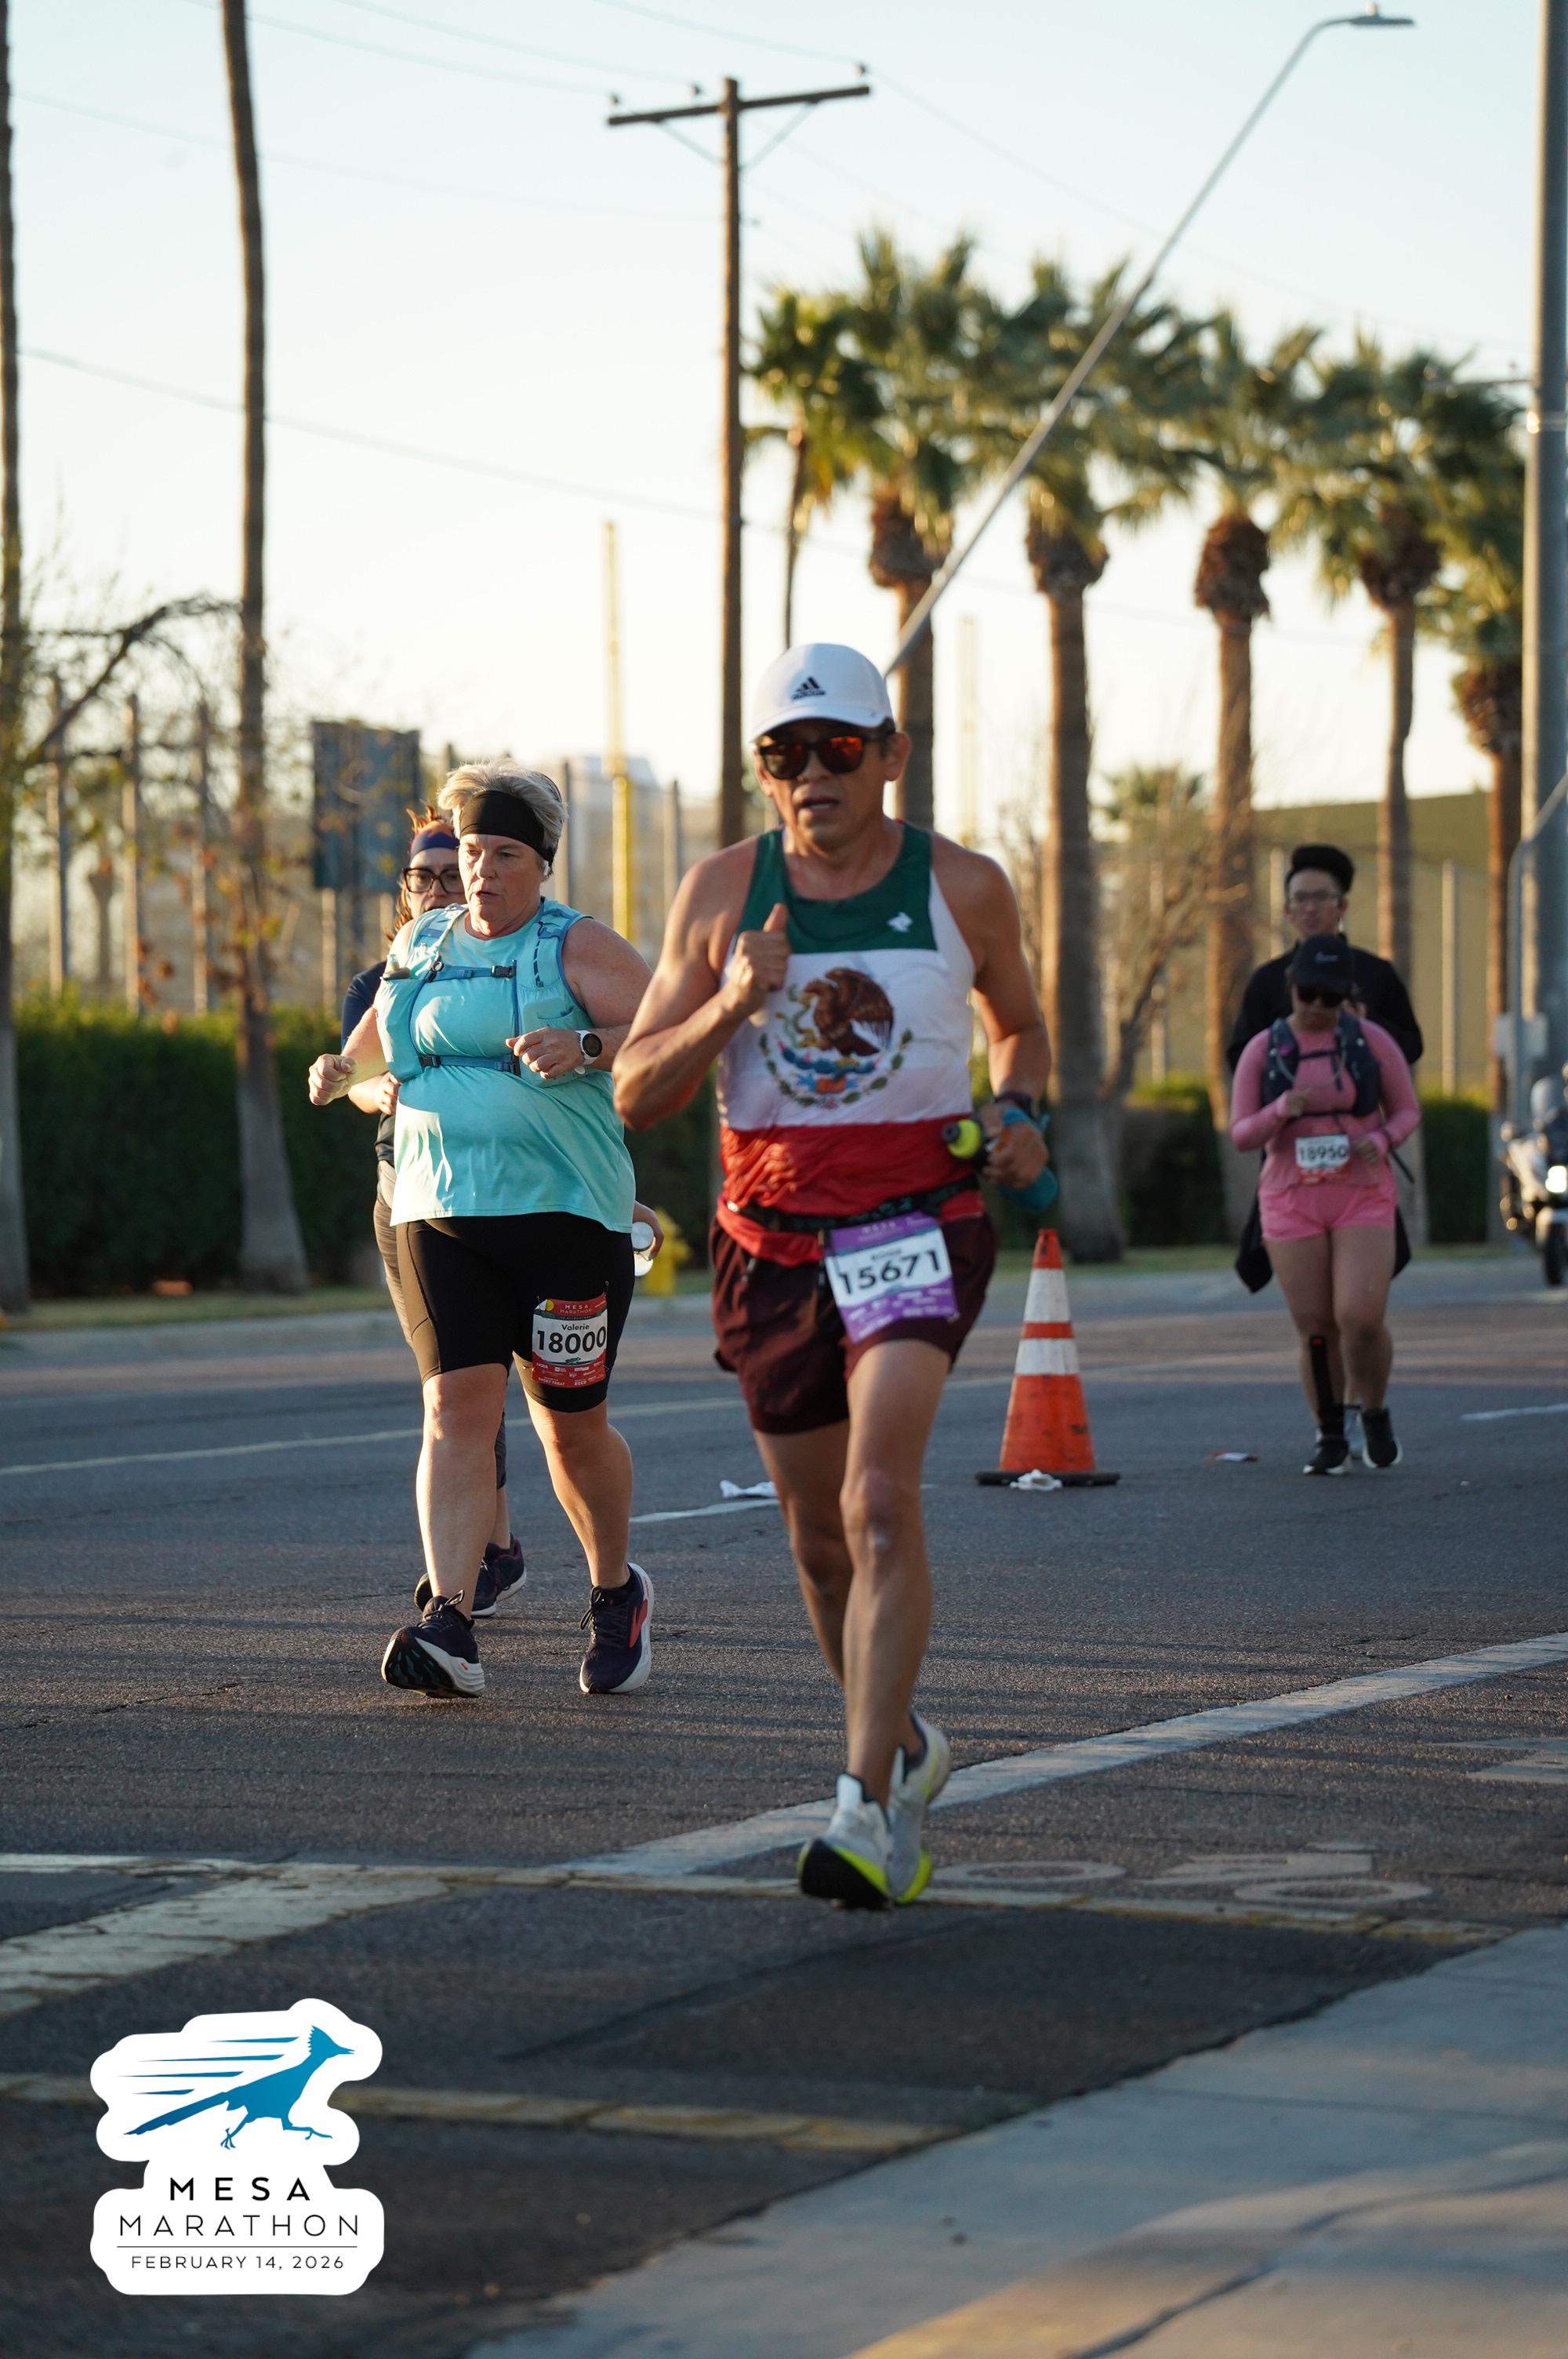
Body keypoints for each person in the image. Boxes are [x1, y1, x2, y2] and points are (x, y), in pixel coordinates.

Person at [615, 642, 1051, 1910]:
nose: (813, 772)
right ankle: (904, 1742)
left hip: (918, 1218)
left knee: (877, 1502)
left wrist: (1019, 1109)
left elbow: (1020, 1025)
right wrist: (726, 1004)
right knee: (817, 1544)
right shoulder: (720, 895)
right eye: (785, 752)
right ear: (764, 770)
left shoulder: (963, 886)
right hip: (770, 1243)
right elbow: (635, 1088)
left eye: (839, 747)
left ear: (891, 754)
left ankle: (865, 1806)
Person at [309, 763, 657, 1700]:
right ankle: (450, 1622)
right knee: (454, 1410)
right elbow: (371, 1052)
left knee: (568, 1431)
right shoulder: (419, 942)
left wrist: (588, 1045)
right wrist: (338, 1069)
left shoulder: (574, 944)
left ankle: (615, 1592)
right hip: (441, 1215)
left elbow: (671, 1028)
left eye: (505, 853)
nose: (482, 870)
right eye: (471, 851)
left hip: (565, 1217)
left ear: (541, 862)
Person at [339, 809, 525, 1621]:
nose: (442, 889)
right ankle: (486, 1555)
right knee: (452, 1384)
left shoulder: (523, 965)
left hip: (511, 1194)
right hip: (409, 1198)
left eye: (456, 873)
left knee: (509, 1389)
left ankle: (498, 1550)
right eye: (426, 877)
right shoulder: (379, 980)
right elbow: (354, 1070)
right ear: (405, 890)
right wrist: (366, 1085)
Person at [1230, 932, 1421, 1474]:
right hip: (1291, 1197)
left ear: (1345, 996)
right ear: (1291, 989)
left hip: (1361, 1192)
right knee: (1316, 1326)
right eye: (1308, 993)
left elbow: (1407, 1109)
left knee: (1359, 1316)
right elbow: (1241, 1133)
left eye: (1330, 997)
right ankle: (1330, 1433)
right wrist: (1279, 1111)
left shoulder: (1370, 1041)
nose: (1317, 1006)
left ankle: (1374, 1410)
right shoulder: (1264, 1050)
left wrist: (1383, 1138)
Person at [1225, 844, 1423, 1074]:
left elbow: (1412, 1048)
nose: (1310, 908)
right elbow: (1239, 1057)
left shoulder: (1376, 972)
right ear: (1287, 911)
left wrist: (1367, 1021)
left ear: (1342, 906)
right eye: (1300, 898)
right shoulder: (1267, 979)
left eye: (1321, 897)